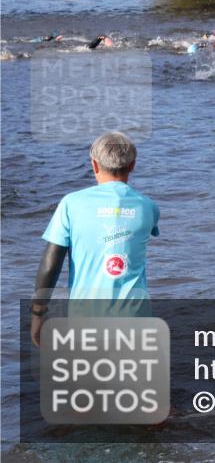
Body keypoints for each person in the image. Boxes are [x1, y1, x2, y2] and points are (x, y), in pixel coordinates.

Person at [30, 132, 160, 346]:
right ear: (132, 165)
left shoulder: (71, 204)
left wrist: (38, 313)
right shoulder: (148, 207)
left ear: (94, 165)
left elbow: (50, 264)